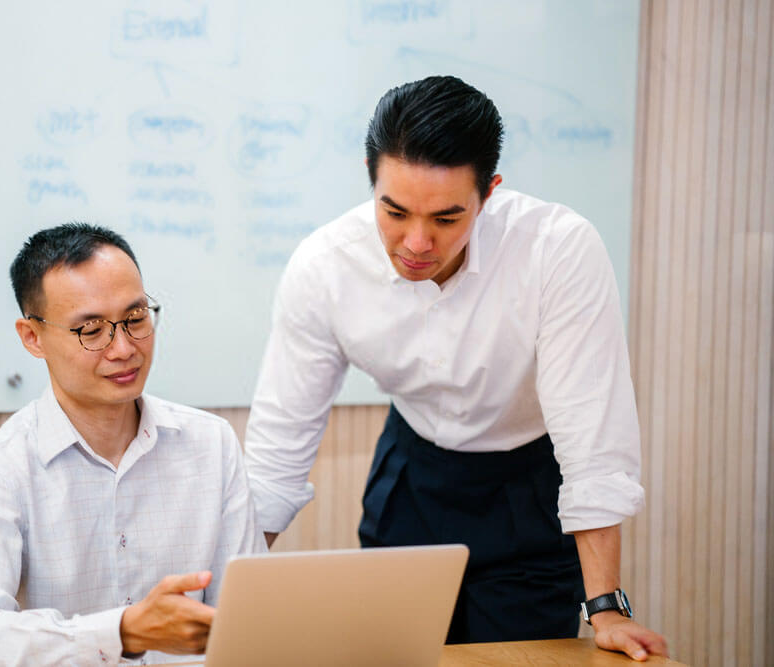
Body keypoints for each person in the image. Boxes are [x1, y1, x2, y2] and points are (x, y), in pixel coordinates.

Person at [243, 75, 668, 660]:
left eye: (446, 218)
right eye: (394, 212)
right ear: (371, 176)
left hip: (528, 486)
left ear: (489, 192)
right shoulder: (325, 267)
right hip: (411, 476)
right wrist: (225, 593)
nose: (416, 242)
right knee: (395, 656)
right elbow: (277, 454)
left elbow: (592, 440)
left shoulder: (558, 250)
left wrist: (605, 607)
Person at [0, 223, 265, 665]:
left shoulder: (211, 444)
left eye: (135, 318)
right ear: (33, 337)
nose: (124, 348)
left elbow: (249, 619)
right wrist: (121, 632)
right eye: (91, 330)